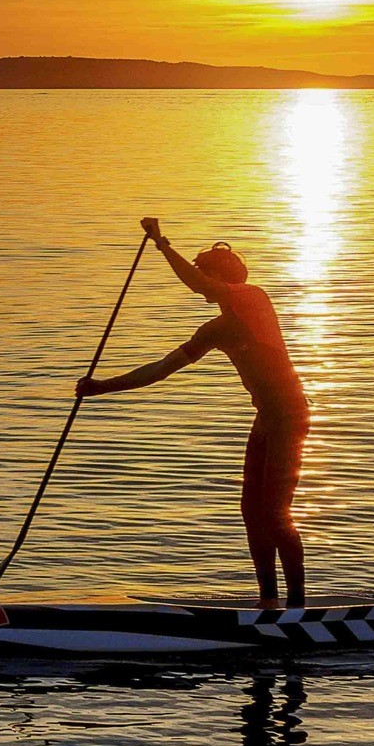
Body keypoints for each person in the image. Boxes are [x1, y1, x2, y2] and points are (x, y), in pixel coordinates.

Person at [76, 217, 310, 609]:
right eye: (200, 270)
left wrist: (162, 244)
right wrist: (102, 387)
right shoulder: (214, 330)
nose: (200, 279)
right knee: (251, 515)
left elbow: (199, 284)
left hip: (290, 417)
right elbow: (160, 369)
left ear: (223, 277)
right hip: (266, 420)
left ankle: (298, 609)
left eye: (205, 271)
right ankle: (268, 602)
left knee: (274, 514)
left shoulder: (254, 298)